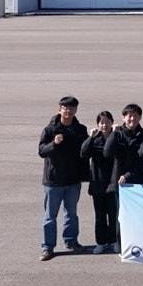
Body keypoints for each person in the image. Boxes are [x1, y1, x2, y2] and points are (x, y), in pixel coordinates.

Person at [38, 95, 88, 260]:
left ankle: (71, 241)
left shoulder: (80, 129)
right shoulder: (50, 129)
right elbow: (42, 151)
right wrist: (54, 143)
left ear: (76, 110)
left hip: (73, 180)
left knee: (71, 214)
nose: (68, 111)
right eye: (65, 108)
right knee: (50, 216)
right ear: (59, 109)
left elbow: (86, 151)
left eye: (72, 108)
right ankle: (48, 247)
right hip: (53, 181)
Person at [79, 110, 118, 254]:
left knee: (114, 215)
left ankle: (114, 241)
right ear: (97, 124)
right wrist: (90, 137)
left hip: (112, 182)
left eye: (107, 122)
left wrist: (114, 134)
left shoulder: (116, 137)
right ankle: (101, 243)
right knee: (100, 216)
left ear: (112, 123)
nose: (105, 125)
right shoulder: (95, 139)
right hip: (98, 183)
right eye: (102, 122)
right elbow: (83, 153)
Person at [105, 103, 143, 190]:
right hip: (117, 182)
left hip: (138, 184)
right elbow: (107, 153)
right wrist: (113, 134)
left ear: (140, 118)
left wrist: (128, 175)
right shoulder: (117, 133)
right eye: (130, 116)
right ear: (123, 118)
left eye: (136, 116)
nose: (132, 118)